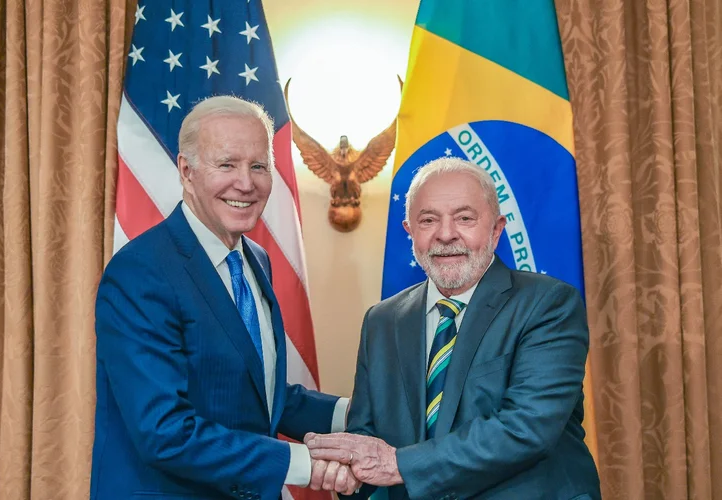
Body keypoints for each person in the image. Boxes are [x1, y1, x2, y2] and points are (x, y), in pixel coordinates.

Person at [90, 96, 358, 499]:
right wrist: (304, 464)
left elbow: (254, 390)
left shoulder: (256, 260)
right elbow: (163, 431)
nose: (246, 184)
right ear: (186, 170)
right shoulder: (141, 273)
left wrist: (354, 415)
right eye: (226, 164)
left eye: (258, 166)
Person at [306, 157, 601, 499]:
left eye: (464, 218)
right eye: (428, 220)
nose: (446, 235)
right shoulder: (382, 321)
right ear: (410, 232)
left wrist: (398, 465)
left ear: (496, 230)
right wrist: (348, 471)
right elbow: (366, 434)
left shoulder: (548, 304)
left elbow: (527, 427)